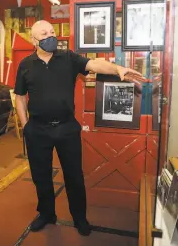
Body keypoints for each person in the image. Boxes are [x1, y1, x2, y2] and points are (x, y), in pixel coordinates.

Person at [14, 20, 145, 236]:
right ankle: (47, 214)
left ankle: (80, 218)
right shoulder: (25, 65)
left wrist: (118, 69)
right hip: (38, 130)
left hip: (66, 128)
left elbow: (94, 64)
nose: (51, 35)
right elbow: (19, 97)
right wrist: (26, 126)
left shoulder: (68, 58)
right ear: (34, 40)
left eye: (52, 32)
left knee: (74, 176)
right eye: (44, 33)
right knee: (41, 176)